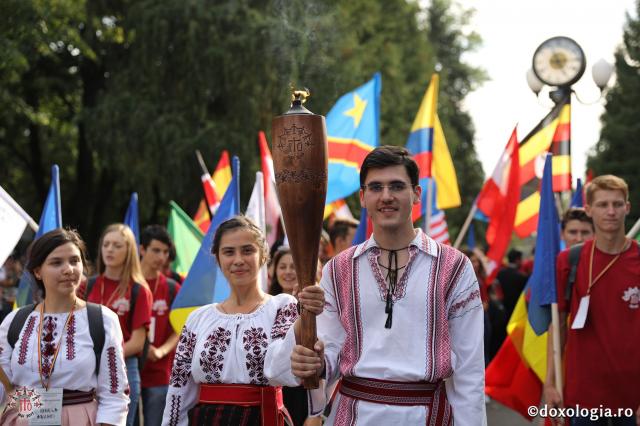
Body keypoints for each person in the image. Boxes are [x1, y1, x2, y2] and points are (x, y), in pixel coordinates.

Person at [266, 145, 486, 425]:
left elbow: (469, 371)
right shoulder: (339, 268)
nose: (386, 196)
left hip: (425, 415)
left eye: (396, 186)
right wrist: (317, 363)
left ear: (416, 194)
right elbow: (330, 347)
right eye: (375, 187)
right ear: (362, 196)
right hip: (354, 414)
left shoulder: (454, 267)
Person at [161, 215, 324, 426]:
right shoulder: (198, 319)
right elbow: (179, 388)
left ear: (263, 256)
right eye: (229, 252)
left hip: (262, 419)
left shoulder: (282, 306)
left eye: (248, 250)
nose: (238, 260)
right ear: (218, 259)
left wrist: (305, 314)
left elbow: (279, 370)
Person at [0, 228, 129, 425]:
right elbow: (4, 387)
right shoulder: (15, 321)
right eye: (56, 262)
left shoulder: (102, 320)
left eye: (75, 261)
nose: (69, 269)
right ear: (37, 271)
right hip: (25, 416)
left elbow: (114, 394)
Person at [552, 175, 640, 425]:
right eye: (602, 205)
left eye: (617, 204)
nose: (611, 211)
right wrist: (550, 384)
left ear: (627, 207)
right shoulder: (568, 261)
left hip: (633, 399)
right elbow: (556, 327)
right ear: (589, 209)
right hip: (583, 397)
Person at [83, 224, 153, 426]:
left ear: (129, 250)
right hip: (87, 368)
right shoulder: (88, 285)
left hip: (123, 367)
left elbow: (138, 343)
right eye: (106, 244)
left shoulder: (139, 290)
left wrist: (101, 357)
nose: (109, 250)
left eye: (116, 245)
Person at [138, 225, 181, 426]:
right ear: (142, 250)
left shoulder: (172, 288)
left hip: (160, 373)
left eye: (165, 252)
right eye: (156, 250)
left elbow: (179, 329)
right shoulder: (126, 285)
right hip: (127, 370)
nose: (161, 257)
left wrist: (161, 351)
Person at [495, 249, 528, 320]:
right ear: (517, 260)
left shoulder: (500, 273)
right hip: (517, 311)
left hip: (502, 309)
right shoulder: (521, 276)